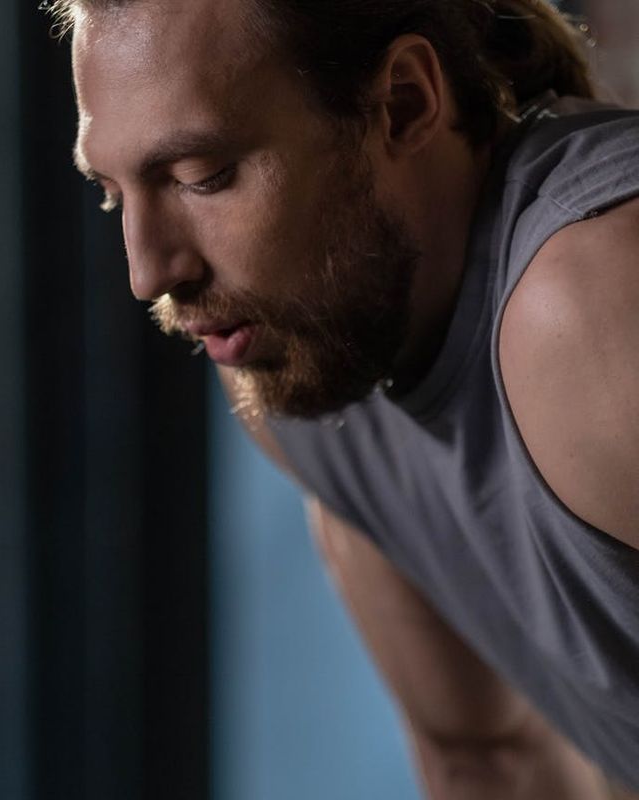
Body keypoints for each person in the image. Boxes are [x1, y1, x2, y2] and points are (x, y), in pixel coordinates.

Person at [52, 0, 639, 795]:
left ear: (403, 103)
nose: (148, 272)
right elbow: (486, 758)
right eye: (115, 195)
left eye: (202, 176)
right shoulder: (305, 346)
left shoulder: (598, 302)